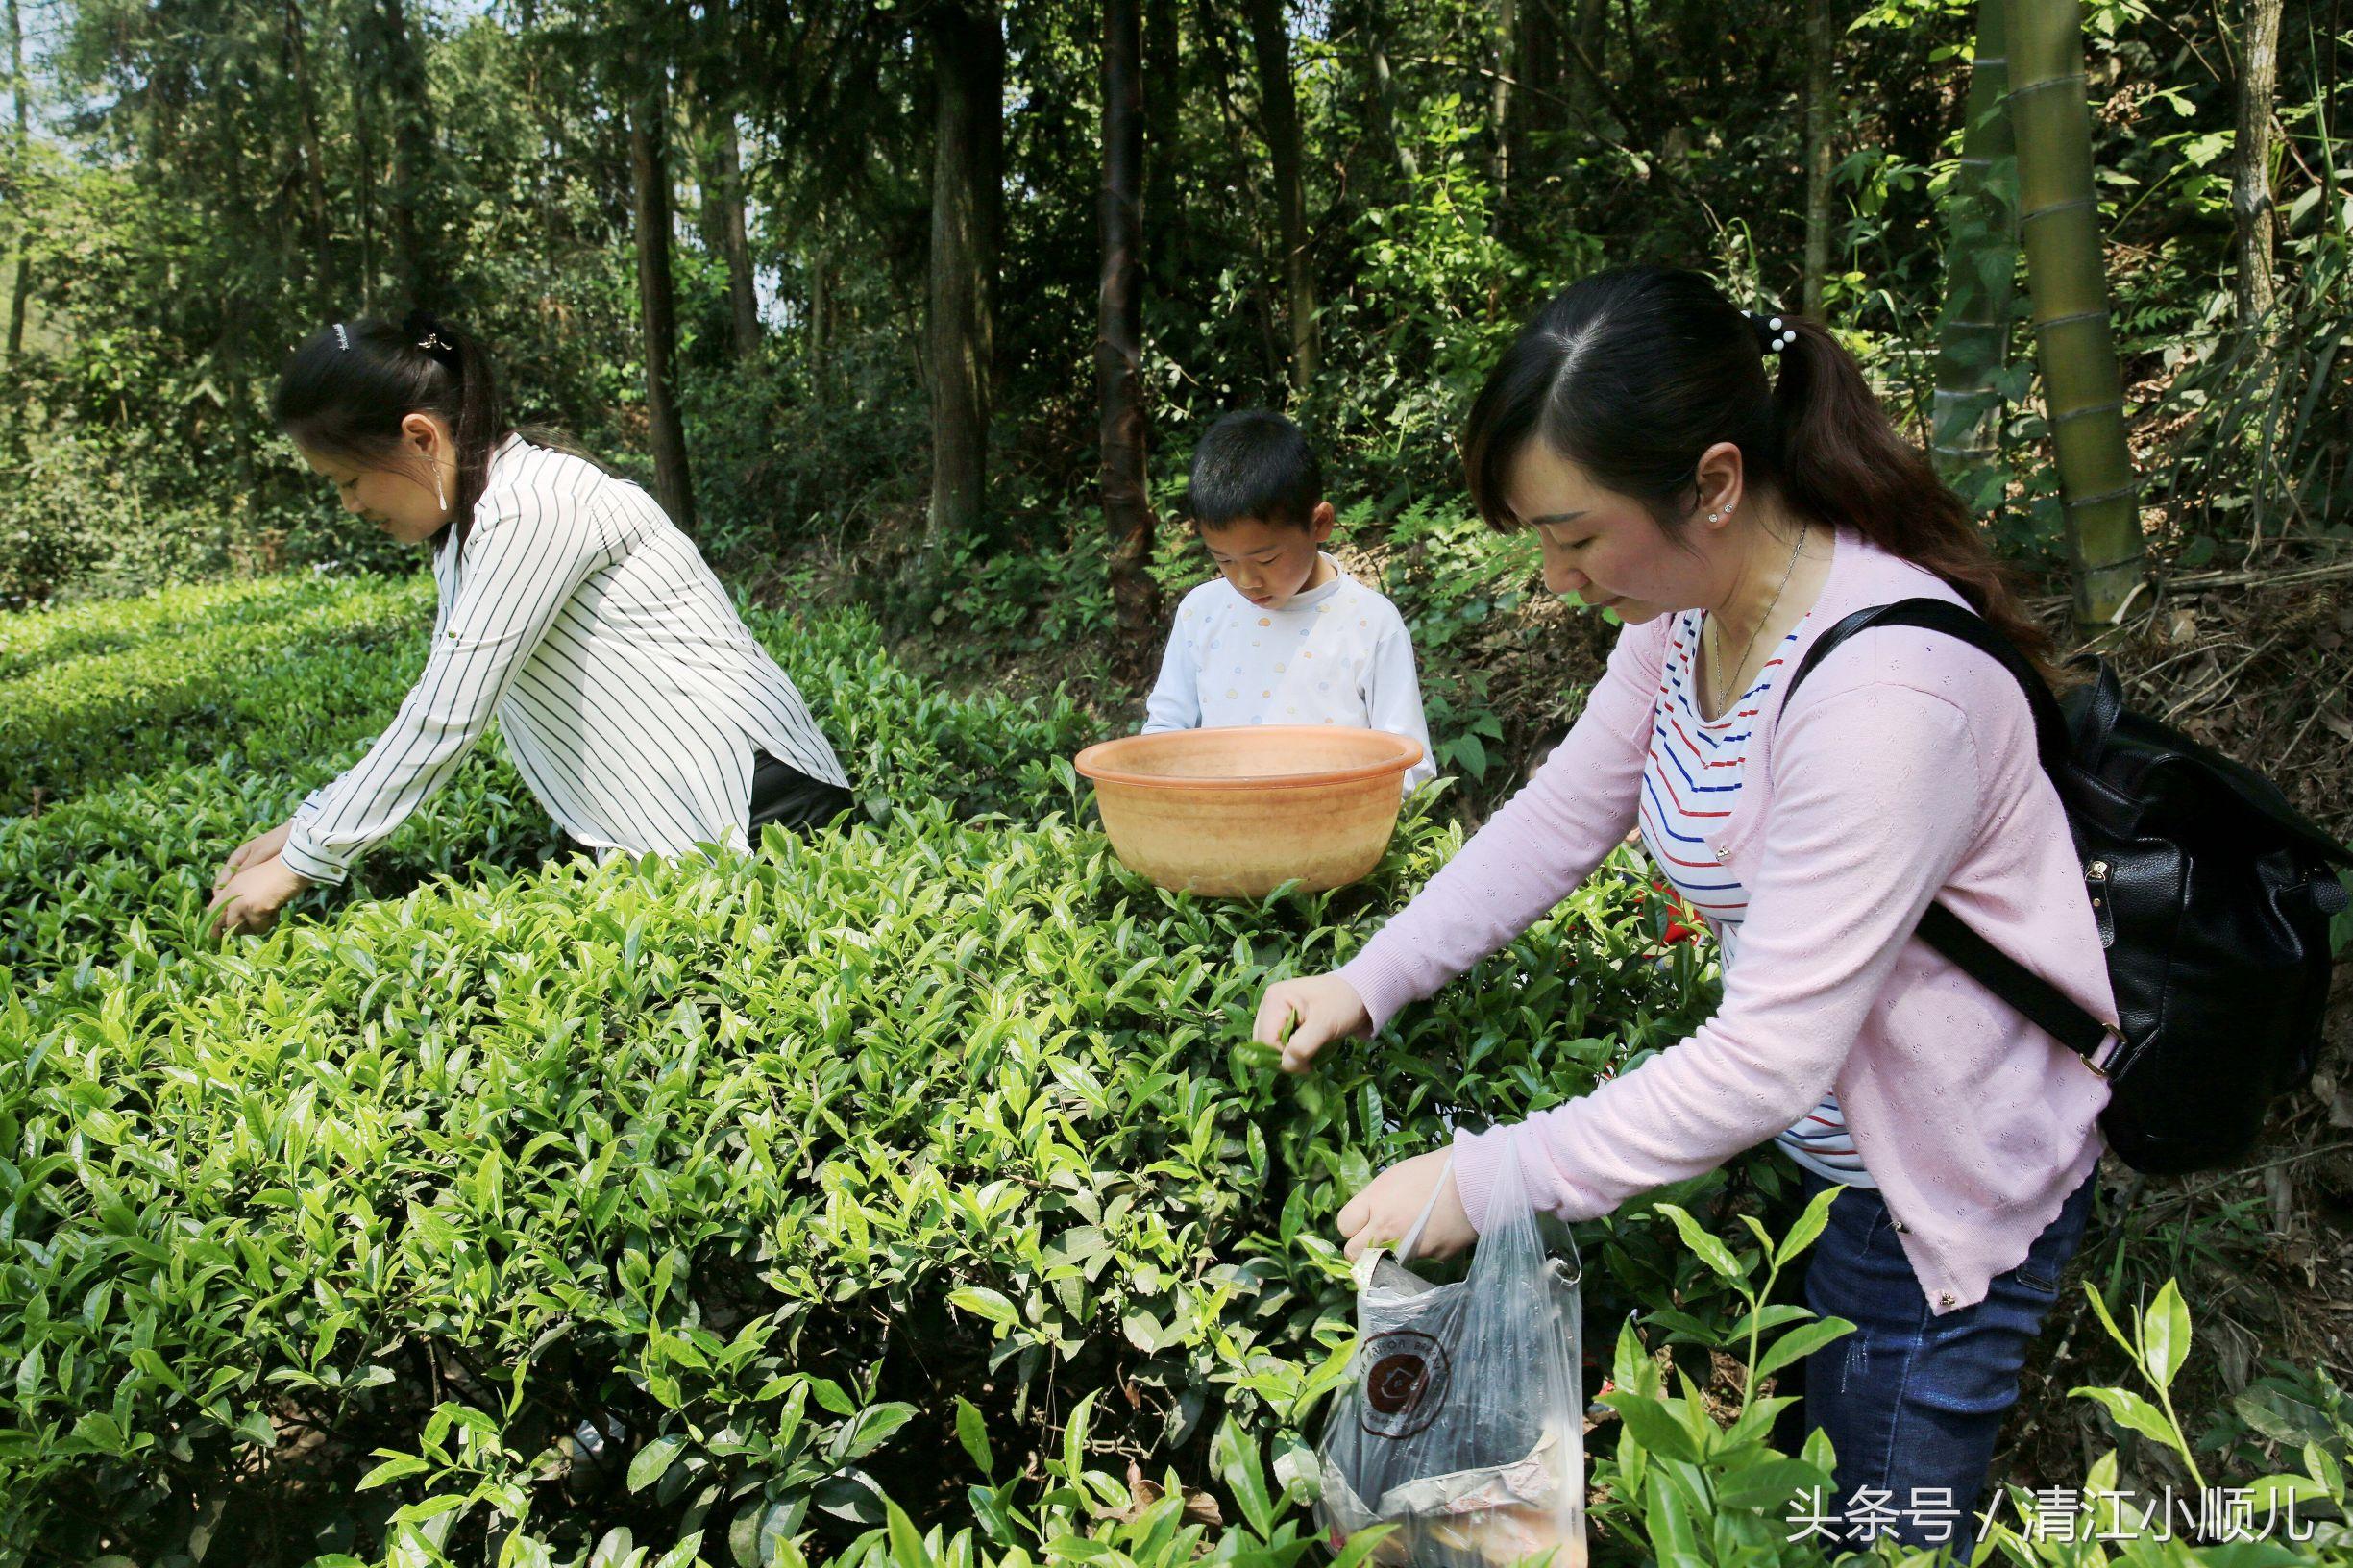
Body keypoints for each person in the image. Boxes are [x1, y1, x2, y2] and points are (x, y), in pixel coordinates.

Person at [1253, 267, 2114, 1543]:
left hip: (1938, 1187)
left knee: (1878, 1527)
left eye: (1575, 535)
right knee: (1817, 1496)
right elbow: (1557, 822)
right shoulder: (1686, 624)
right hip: (1840, 1166)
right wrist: (1367, 980)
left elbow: (1767, 1058)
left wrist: (1488, 1177)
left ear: (1712, 484)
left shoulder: (1883, 698)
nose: (1555, 579)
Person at [207, 311, 854, 936]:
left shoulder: (530, 508)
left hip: (751, 809)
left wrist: (302, 862)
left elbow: (447, 715)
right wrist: (307, 825)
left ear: (421, 438)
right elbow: (438, 700)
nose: (349, 505)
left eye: (349, 480)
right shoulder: (479, 518)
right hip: (685, 819)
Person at [1141, 409, 1435, 793]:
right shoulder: (1202, 612)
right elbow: (1163, 734)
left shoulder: (1369, 622)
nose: (1245, 581)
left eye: (1266, 559)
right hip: (1222, 836)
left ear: (1320, 524)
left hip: (1337, 837)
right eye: (1224, 560)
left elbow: (1410, 763)